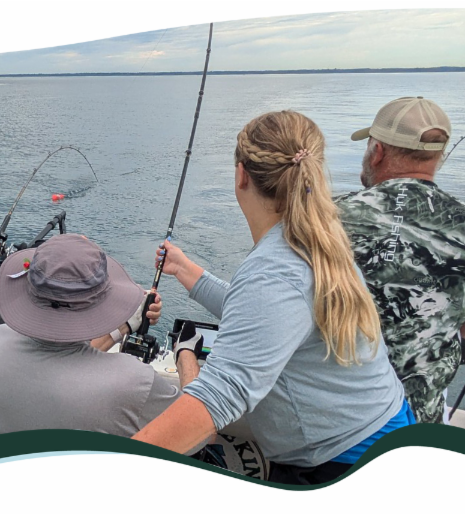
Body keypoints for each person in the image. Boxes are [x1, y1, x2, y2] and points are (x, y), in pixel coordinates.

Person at [133, 110, 412, 485]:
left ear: (241, 175)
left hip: (344, 465)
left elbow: (216, 398)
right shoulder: (313, 239)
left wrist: (116, 470)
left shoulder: (274, 270)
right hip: (381, 434)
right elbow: (271, 316)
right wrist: (186, 270)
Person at [337, 97, 465, 424]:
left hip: (327, 420)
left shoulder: (322, 218)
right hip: (418, 422)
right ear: (438, 156)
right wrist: (448, 313)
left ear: (378, 151)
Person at [0, 233, 167, 437]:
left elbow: (63, 365)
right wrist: (185, 352)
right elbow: (199, 433)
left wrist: (123, 328)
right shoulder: (134, 381)